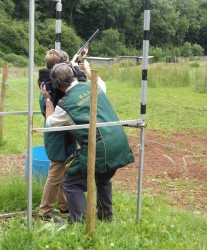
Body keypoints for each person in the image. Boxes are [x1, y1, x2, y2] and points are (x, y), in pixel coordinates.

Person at [40, 63, 135, 223]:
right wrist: (88, 70)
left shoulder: (64, 105)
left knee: (70, 184)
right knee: (104, 178)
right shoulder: (94, 86)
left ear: (57, 85)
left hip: (98, 148)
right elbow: (101, 83)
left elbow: (50, 123)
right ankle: (106, 217)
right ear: (74, 75)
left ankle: (81, 222)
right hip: (119, 141)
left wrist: (48, 99)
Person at [38, 49, 87, 222]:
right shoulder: (50, 90)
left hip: (64, 135)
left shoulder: (50, 86)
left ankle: (65, 206)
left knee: (63, 172)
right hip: (57, 137)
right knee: (56, 173)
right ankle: (45, 212)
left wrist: (79, 60)